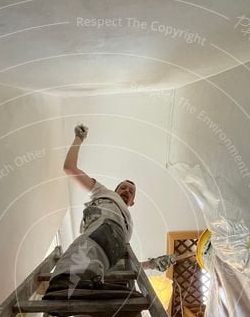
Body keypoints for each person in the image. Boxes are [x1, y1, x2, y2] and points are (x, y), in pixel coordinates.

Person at [44, 124, 176, 298]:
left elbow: (124, 261)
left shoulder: (127, 226)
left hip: (104, 260)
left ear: (132, 202)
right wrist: (78, 138)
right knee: (98, 237)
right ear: (114, 191)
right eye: (123, 187)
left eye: (130, 192)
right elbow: (70, 168)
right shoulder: (102, 191)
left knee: (113, 255)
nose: (126, 191)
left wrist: (151, 264)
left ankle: (91, 290)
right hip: (99, 228)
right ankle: (62, 283)